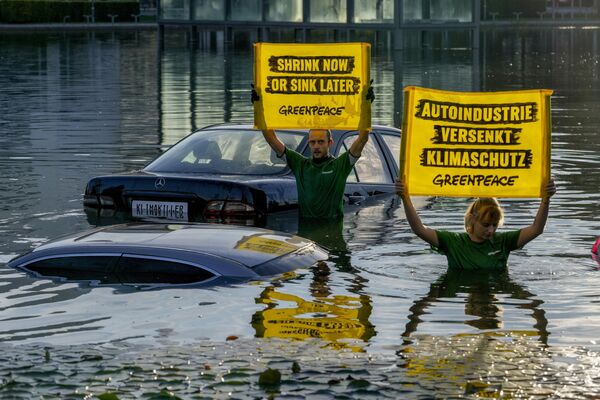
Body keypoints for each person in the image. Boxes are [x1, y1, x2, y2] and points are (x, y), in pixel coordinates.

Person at [395, 177, 557, 269]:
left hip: (496, 288)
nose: (491, 230)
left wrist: (546, 199)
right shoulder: (453, 242)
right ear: (472, 220)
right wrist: (405, 198)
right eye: (486, 225)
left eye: (495, 224)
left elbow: (536, 229)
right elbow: (419, 230)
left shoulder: (504, 242)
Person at [261, 127, 370, 219]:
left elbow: (362, 139)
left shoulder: (340, 165)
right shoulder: (300, 164)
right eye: (313, 142)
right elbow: (271, 139)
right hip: (305, 236)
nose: (316, 146)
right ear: (309, 144)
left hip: (332, 237)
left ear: (330, 143)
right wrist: (260, 106)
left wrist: (365, 107)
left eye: (321, 141)